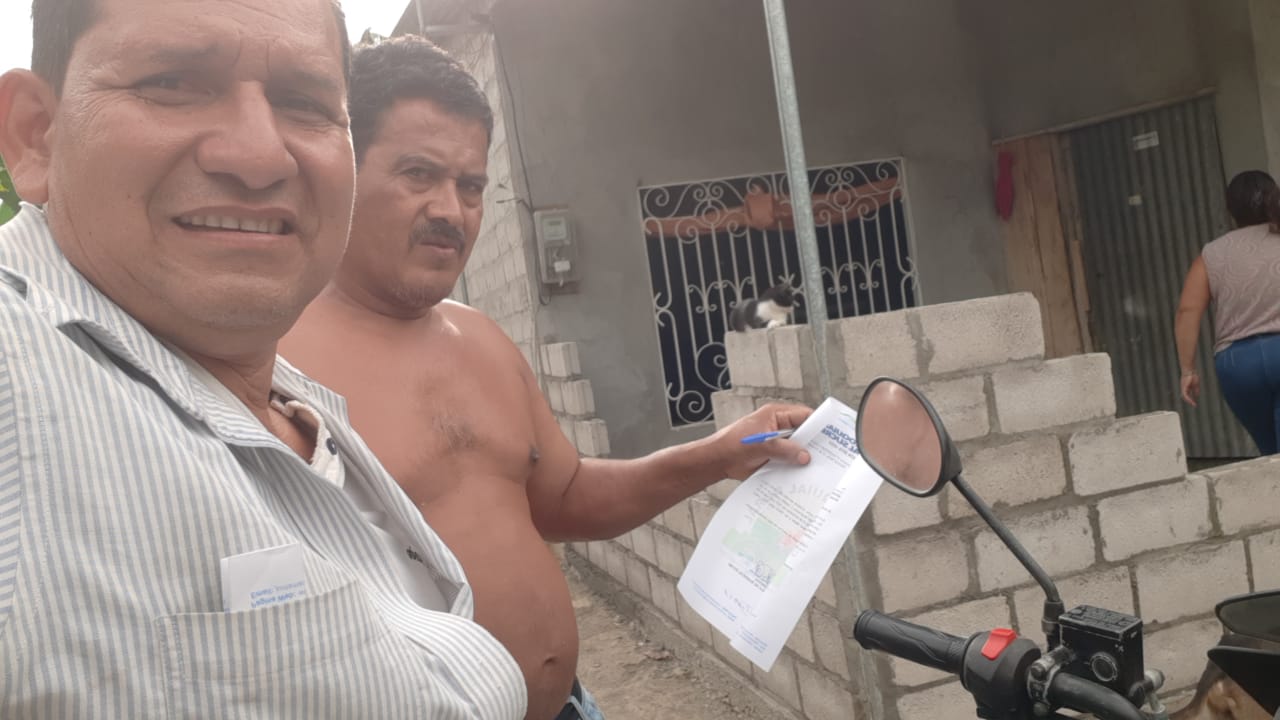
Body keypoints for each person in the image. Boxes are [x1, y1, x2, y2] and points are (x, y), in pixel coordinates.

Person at [0, 1, 525, 717]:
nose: (259, 156)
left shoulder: (281, 392)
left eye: (304, 102)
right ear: (36, 133)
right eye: (173, 83)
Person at [279, 36, 814, 720]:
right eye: (418, 174)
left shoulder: (481, 340)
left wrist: (718, 454)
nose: (450, 210)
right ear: (343, 169)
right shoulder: (271, 364)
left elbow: (563, 496)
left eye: (471, 186)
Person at [1175, 170, 1280, 454]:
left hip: (1238, 365)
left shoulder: (1212, 254)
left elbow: (1187, 310)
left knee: (1269, 452)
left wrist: (1188, 369)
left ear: (1230, 208)